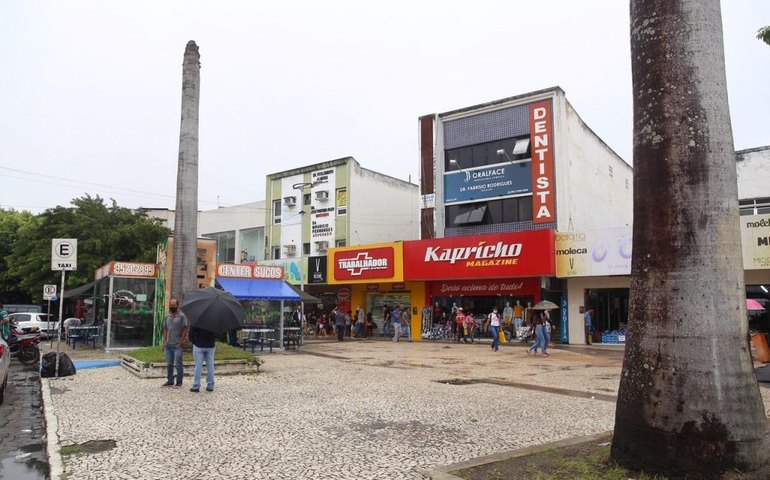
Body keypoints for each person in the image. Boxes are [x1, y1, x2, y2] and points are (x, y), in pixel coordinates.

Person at [162, 299, 189, 387]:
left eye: (173, 305)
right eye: (170, 305)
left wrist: (181, 341)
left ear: (177, 306)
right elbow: (165, 328)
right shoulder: (167, 316)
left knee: (178, 364)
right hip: (168, 345)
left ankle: (179, 381)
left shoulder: (182, 316)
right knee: (169, 364)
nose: (172, 306)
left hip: (177, 345)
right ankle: (170, 380)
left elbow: (185, 328)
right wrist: (165, 340)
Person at [189, 325, 216, 393]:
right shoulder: (214, 321)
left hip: (199, 344)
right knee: (210, 366)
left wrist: (194, 341)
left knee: (198, 366)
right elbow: (219, 334)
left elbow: (191, 333)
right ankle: (210, 385)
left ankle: (196, 386)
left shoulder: (197, 320)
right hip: (210, 345)